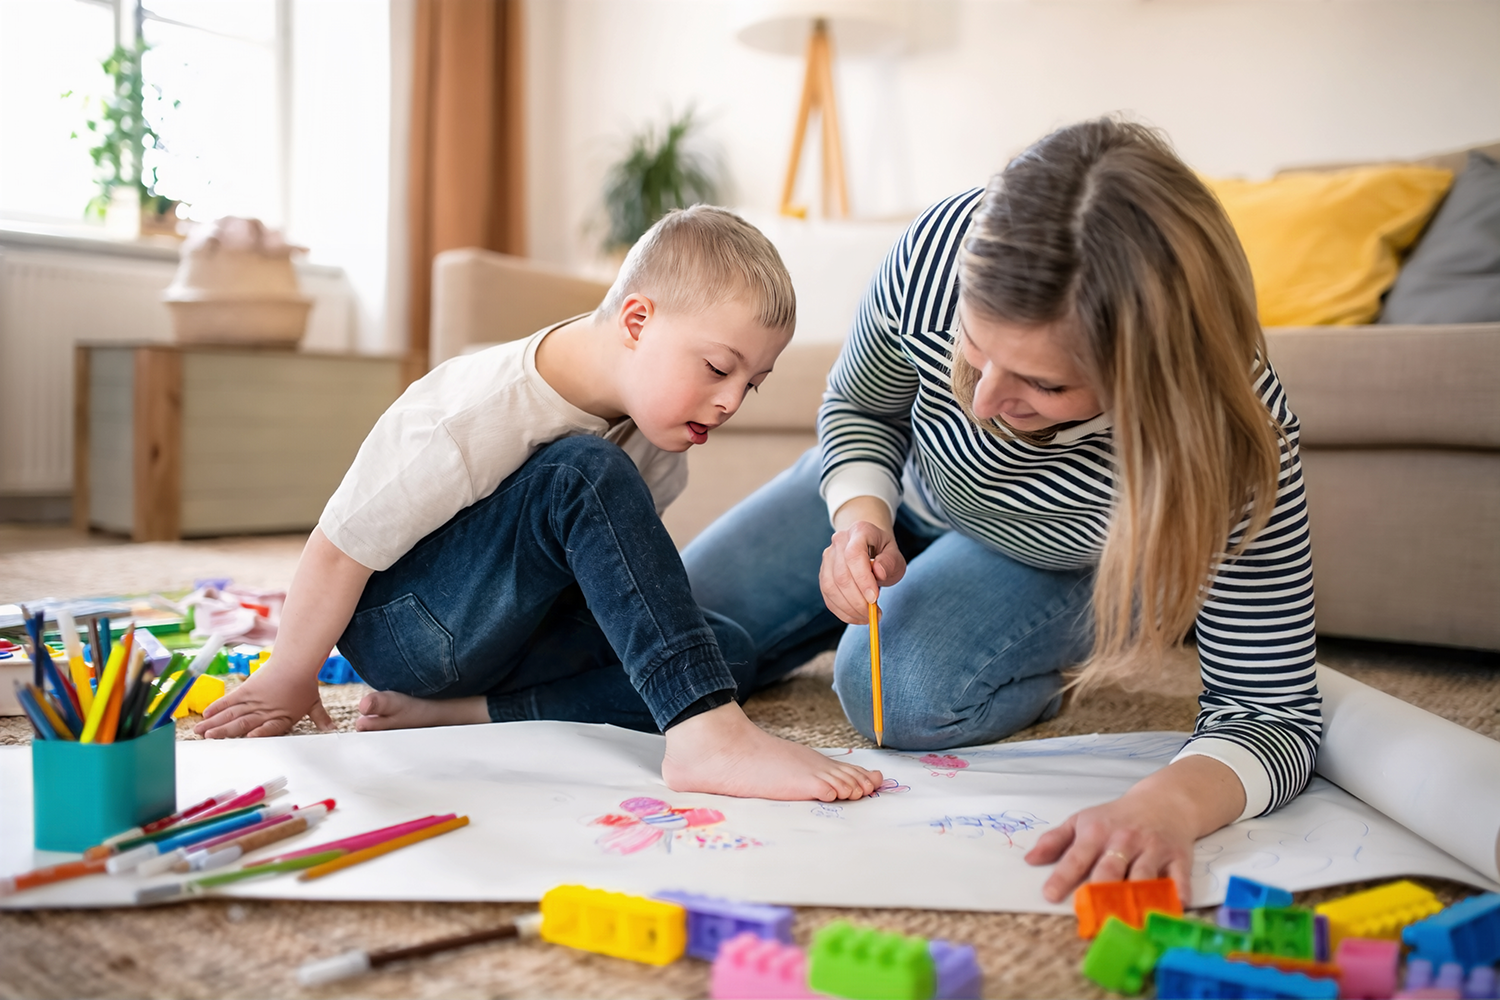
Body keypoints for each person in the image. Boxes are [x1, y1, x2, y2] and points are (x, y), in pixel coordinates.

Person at [683, 119, 1319, 898]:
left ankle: (1050, 666)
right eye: (973, 352)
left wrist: (1172, 801)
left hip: (1049, 556)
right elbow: (860, 406)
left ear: (1149, 379)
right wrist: (859, 516)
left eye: (1044, 385)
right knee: (665, 636)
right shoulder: (937, 252)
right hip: (904, 488)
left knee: (896, 693)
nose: (980, 404)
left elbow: (1274, 710)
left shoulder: (1229, 431)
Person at [196, 206, 883, 803]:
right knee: (584, 473)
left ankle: (468, 714)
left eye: (752, 384)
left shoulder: (661, 439)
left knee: (721, 653)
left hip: (509, 638)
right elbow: (341, 543)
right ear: (637, 320)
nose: (731, 400)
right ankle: (705, 738)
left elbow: (619, 583)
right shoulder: (480, 406)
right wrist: (290, 675)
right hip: (406, 628)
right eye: (716, 368)